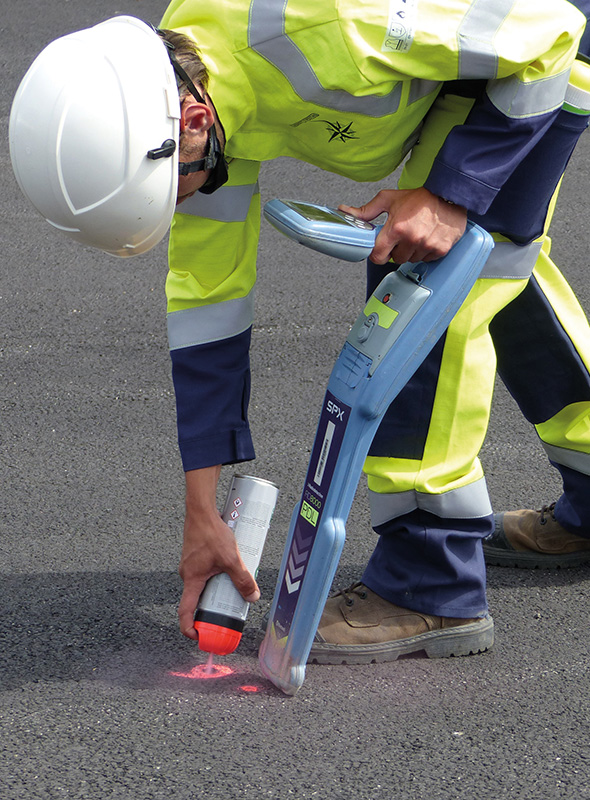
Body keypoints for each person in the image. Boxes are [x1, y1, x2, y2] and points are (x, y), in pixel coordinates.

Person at [8, 0, 590, 664]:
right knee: (497, 274)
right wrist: (201, 512)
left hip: (536, 59)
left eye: (175, 191)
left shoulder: (330, 30)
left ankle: (430, 582)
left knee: (430, 293)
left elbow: (549, 34)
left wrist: (454, 191)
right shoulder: (182, 87)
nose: (183, 203)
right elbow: (207, 304)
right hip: (464, 70)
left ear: (195, 124)